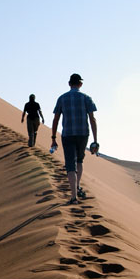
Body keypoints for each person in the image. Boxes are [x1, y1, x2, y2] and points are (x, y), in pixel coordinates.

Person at [51, 73, 98, 204]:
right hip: (83, 134)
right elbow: (92, 119)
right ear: (80, 84)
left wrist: (53, 137)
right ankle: (77, 187)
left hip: (67, 134)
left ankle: (73, 196)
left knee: (70, 165)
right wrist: (95, 140)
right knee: (80, 161)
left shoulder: (62, 98)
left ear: (69, 84)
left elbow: (56, 119)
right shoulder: (86, 98)